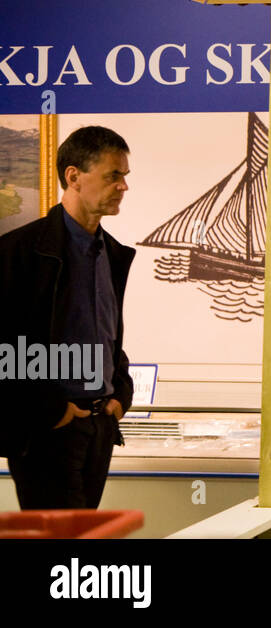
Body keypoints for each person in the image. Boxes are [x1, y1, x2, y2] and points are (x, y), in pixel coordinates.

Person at [0, 126, 135, 509]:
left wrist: (119, 394)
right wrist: (52, 411)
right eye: (114, 175)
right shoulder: (19, 252)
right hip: (47, 431)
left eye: (125, 176)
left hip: (98, 426)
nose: (123, 186)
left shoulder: (111, 253)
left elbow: (108, 336)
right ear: (74, 176)